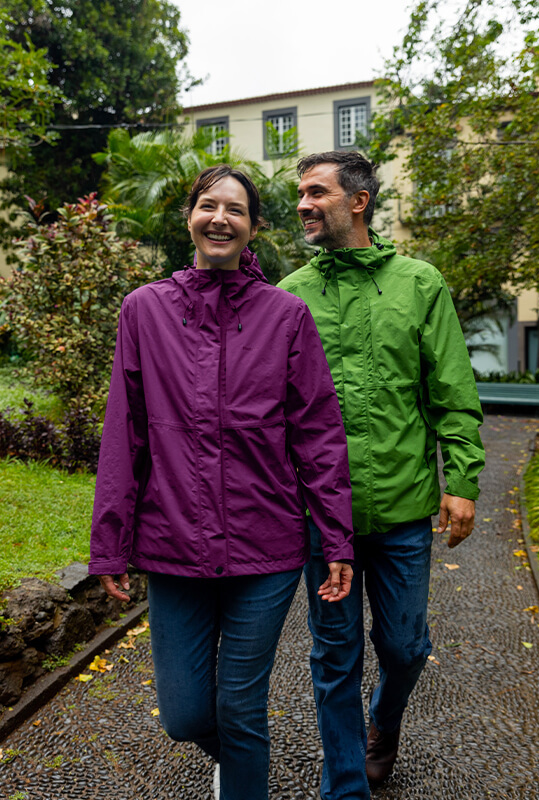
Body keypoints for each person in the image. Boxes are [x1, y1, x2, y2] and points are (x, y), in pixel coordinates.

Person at [89, 164, 355, 800]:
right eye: (209, 205)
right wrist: (110, 542)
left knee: (240, 709)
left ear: (253, 228)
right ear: (190, 218)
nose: (220, 218)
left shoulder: (285, 317)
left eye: (236, 210)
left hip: (264, 548)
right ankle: (238, 763)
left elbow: (317, 435)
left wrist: (337, 540)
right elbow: (124, 434)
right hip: (172, 543)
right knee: (185, 717)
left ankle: (241, 777)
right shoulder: (144, 311)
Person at [278, 151, 485, 799]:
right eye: (300, 194)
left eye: (317, 192)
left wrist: (463, 480)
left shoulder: (419, 284)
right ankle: (345, 782)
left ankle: (383, 722)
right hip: (321, 519)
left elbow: (451, 388)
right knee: (333, 655)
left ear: (358, 201)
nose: (305, 204)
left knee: (403, 648)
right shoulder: (288, 297)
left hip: (400, 510)